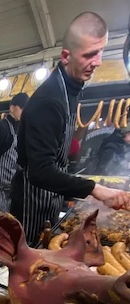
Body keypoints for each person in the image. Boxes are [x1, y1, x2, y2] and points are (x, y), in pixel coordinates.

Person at [10, 12, 130, 246]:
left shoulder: (70, 90)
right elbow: (41, 170)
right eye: (90, 54)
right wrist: (95, 189)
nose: (98, 62)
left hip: (49, 199)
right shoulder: (49, 101)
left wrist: (79, 193)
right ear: (66, 56)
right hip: (32, 202)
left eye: (101, 51)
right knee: (31, 262)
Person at [0, 92, 29, 227]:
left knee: (8, 230)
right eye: (22, 109)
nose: (24, 113)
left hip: (11, 192)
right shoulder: (0, 129)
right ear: (12, 107)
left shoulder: (20, 129)